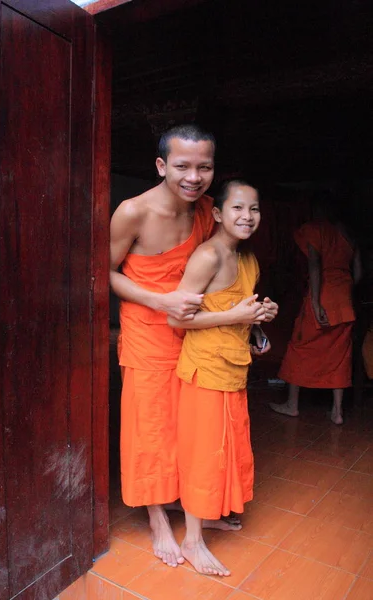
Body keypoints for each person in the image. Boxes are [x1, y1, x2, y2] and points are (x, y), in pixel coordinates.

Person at [110, 124, 219, 569]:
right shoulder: (132, 212)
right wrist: (160, 299)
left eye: (204, 167)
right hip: (146, 330)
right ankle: (156, 517)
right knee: (150, 426)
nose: (194, 177)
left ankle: (176, 498)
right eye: (182, 166)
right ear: (161, 166)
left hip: (191, 331)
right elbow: (104, 273)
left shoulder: (206, 212)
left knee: (186, 422)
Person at [167, 180, 278, 576]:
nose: (247, 217)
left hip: (233, 367)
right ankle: (192, 542)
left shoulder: (247, 258)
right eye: (237, 209)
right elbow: (176, 316)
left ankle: (208, 515)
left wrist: (259, 327)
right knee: (203, 454)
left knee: (225, 448)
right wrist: (238, 317)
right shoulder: (208, 256)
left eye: (254, 209)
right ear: (217, 213)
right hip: (204, 371)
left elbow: (241, 312)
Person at [270, 198, 362, 424]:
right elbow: (358, 274)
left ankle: (292, 405)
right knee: (340, 356)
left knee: (298, 348)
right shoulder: (349, 235)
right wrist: (343, 290)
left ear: (317, 210)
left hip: (321, 298)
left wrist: (317, 303)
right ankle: (337, 412)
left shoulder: (314, 229)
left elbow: (314, 266)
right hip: (344, 302)